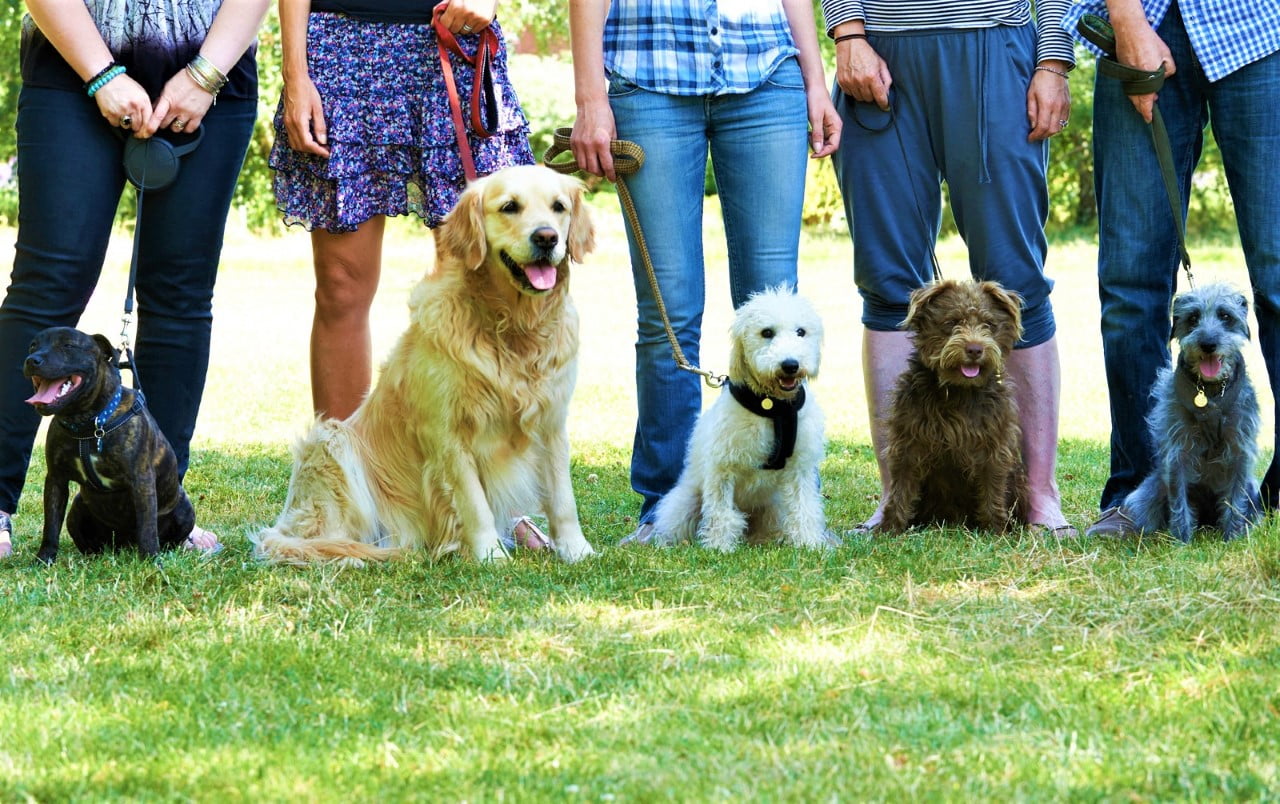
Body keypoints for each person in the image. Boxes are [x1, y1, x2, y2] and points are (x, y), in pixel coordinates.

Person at [269, 0, 544, 549]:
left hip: (449, 41)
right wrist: (295, 73)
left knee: (475, 284)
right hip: (340, 46)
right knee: (342, 287)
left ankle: (498, 500)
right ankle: (349, 490)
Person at [0, 0, 268, 559]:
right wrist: (100, 73)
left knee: (180, 291)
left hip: (212, 73)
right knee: (47, 281)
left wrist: (204, 75)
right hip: (71, 59)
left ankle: (167, 510)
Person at [568, 0, 842, 544]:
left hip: (766, 73)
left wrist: (816, 81)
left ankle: (791, 505)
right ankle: (666, 507)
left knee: (776, 308)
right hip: (648, 73)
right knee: (668, 314)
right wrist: (590, 97)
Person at [822, 0, 1077, 535]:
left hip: (991, 43)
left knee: (1017, 278)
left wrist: (1052, 63)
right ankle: (898, 498)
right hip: (877, 48)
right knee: (888, 281)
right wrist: (846, 32)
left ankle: (1038, 497)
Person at [1065, 0, 1280, 537]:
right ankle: (1141, 493)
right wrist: (1127, 20)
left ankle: (1262, 494)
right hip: (1145, 18)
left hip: (1261, 26)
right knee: (1131, 284)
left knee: (1279, 275)